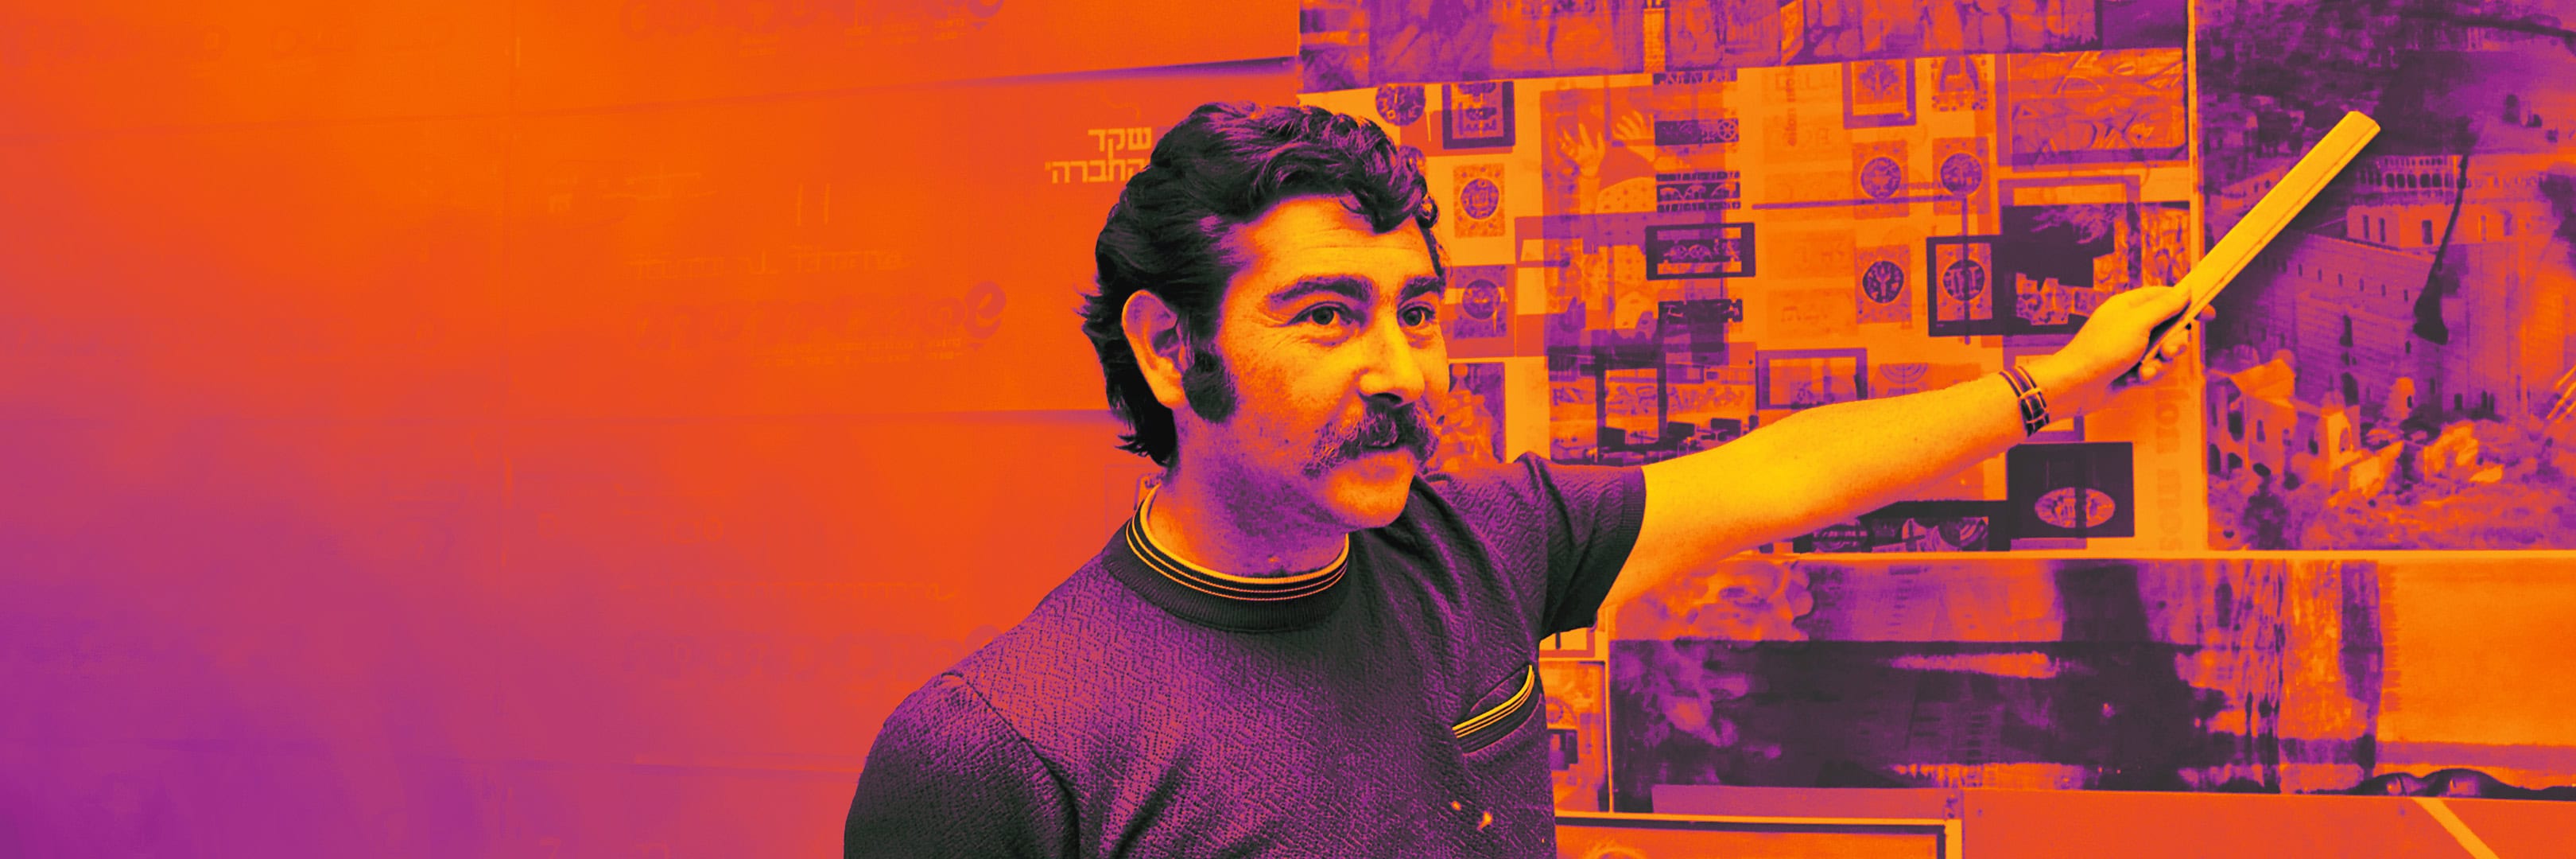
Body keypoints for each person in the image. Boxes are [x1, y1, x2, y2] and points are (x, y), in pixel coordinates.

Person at [842, 102, 2205, 857]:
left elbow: (1778, 475)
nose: (1405, 372)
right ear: (1165, 346)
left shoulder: (1483, 542)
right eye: (1327, 317)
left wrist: (2058, 382)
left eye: (1417, 313)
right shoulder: (999, 751)